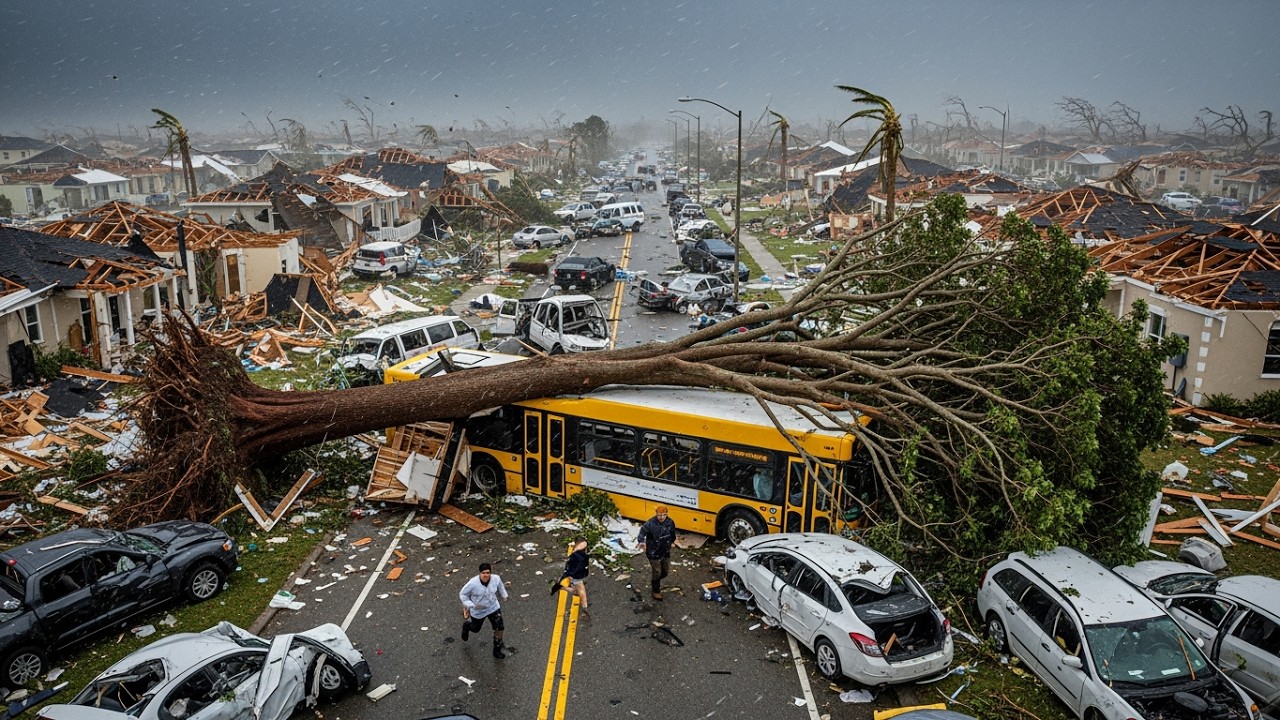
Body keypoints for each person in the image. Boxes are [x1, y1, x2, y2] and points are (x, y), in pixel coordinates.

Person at [459, 562, 510, 659]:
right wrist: (470, 605)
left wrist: (504, 595)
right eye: (483, 573)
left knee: (499, 628)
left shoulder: (496, 579)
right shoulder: (472, 583)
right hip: (478, 610)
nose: (486, 575)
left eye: (488, 572)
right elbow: (463, 594)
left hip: (493, 607)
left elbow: (500, 586)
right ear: (480, 573)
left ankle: (497, 650)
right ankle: (467, 626)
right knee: (475, 629)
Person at [636, 506, 677, 600]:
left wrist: (672, 542)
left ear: (667, 514)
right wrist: (642, 542)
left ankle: (655, 580)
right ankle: (656, 590)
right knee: (657, 572)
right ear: (656, 514)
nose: (661, 517)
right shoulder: (650, 523)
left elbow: (672, 533)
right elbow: (642, 532)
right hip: (653, 551)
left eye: (663, 515)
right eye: (659, 515)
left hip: (665, 550)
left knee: (665, 572)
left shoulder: (670, 522)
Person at [553, 537, 591, 615]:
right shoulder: (577, 556)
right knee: (581, 591)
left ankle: (558, 587)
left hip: (577, 574)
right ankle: (585, 607)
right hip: (577, 575)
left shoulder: (577, 554)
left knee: (576, 592)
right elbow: (573, 567)